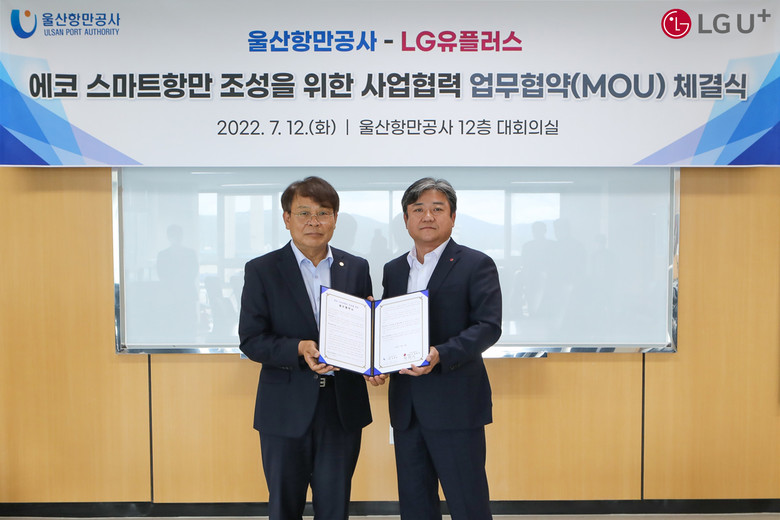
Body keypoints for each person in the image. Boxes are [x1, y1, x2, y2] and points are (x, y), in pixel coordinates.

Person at [239, 176, 373, 520]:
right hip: (284, 408)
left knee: (335, 508)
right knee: (284, 507)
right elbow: (251, 339)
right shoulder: (262, 270)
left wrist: (375, 354)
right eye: (304, 213)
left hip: (341, 408)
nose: (314, 222)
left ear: (335, 219)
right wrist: (299, 348)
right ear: (287, 218)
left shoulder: (356, 268)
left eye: (323, 213)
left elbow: (364, 332)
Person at [368, 177, 502, 520]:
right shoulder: (394, 269)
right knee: (415, 505)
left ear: (452, 217)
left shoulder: (476, 264)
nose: (427, 216)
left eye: (437, 209)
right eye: (418, 209)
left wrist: (442, 353)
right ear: (406, 219)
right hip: (407, 408)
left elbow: (488, 326)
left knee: (468, 503)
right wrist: (375, 360)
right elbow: (392, 329)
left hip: (456, 404)